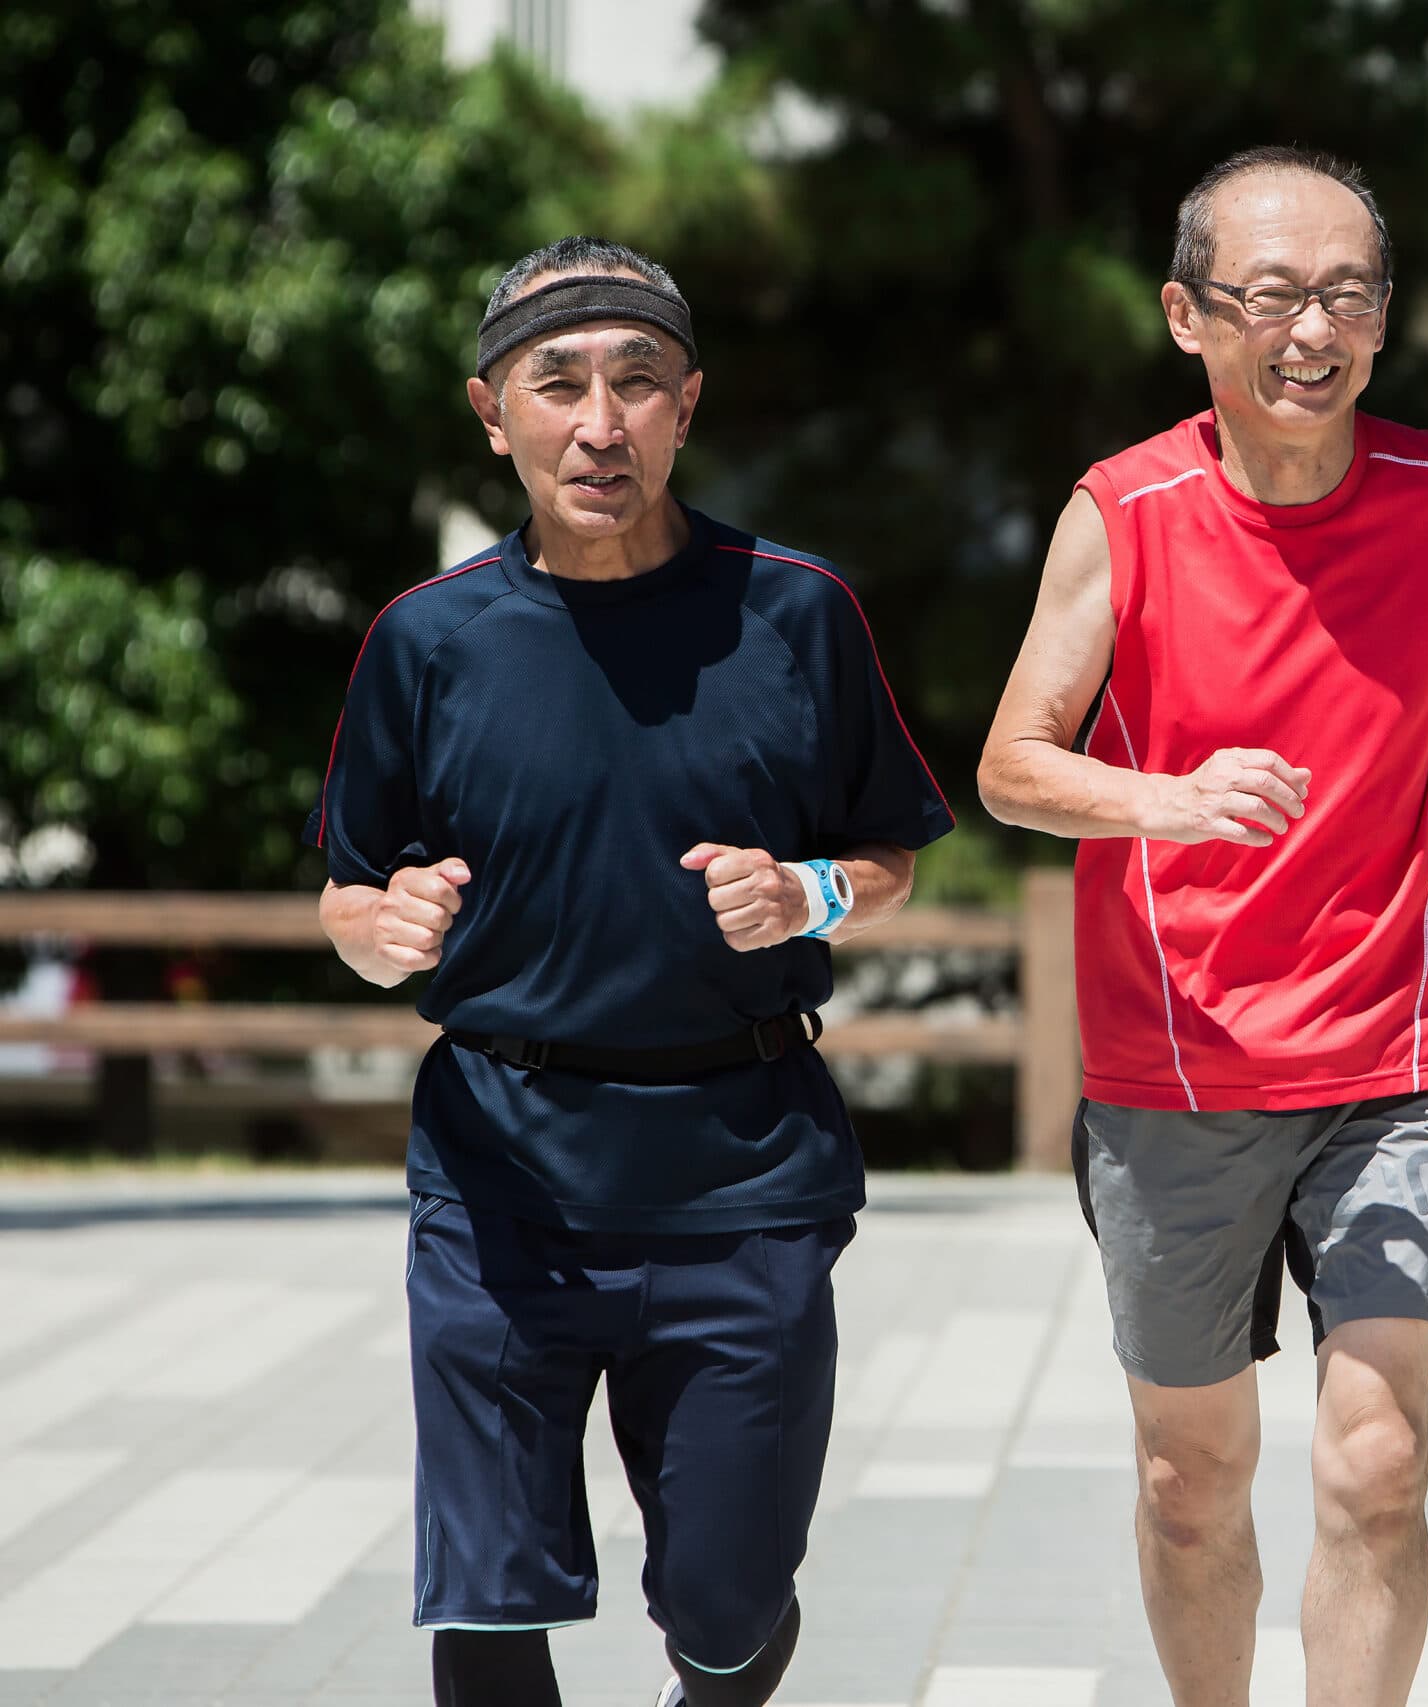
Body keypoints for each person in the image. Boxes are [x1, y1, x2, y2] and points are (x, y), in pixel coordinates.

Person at [311, 237, 952, 1707]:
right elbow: (352, 887)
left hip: (744, 1178)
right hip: (497, 1179)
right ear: (494, 413)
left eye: (638, 382)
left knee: (727, 1615)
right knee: (483, 1600)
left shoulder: (798, 613)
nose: (601, 423)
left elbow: (893, 856)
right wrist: (376, 928)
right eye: (560, 386)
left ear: (688, 405)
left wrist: (807, 893)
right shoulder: (426, 641)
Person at [978, 146, 1428, 1707]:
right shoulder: (1127, 511)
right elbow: (1009, 766)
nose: (1312, 332)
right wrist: (1162, 800)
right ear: (1189, 317)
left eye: (1349, 297)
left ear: (1383, 320)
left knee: (1377, 1463)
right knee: (1193, 1482)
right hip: (1180, 1068)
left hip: (1398, 1056)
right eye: (1270, 298)